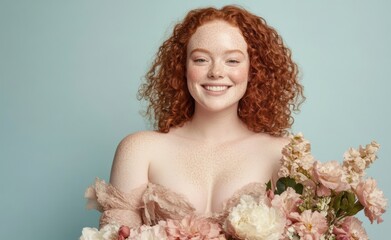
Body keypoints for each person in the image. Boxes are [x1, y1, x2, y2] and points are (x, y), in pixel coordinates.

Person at [86, 4, 304, 234]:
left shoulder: (284, 154)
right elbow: (116, 236)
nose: (216, 72)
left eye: (232, 60)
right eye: (201, 60)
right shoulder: (139, 150)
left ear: (255, 70)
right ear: (182, 67)